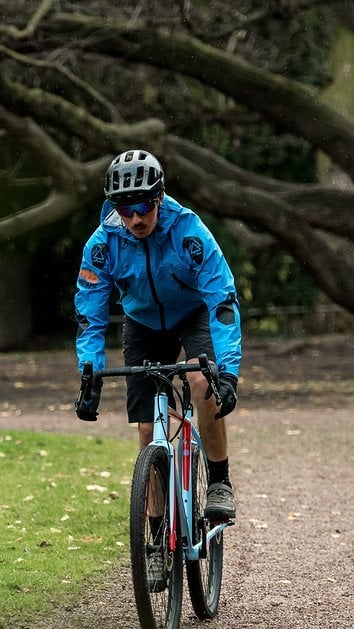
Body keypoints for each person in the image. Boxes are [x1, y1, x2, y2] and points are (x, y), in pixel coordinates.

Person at [73, 148, 241, 523]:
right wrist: (90, 375)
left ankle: (219, 481)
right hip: (142, 324)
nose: (135, 218)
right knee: (148, 428)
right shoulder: (101, 245)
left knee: (202, 381)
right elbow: (90, 316)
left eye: (144, 206)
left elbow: (222, 301)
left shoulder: (189, 231)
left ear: (160, 197)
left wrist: (227, 371)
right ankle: (154, 532)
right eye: (124, 208)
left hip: (192, 314)